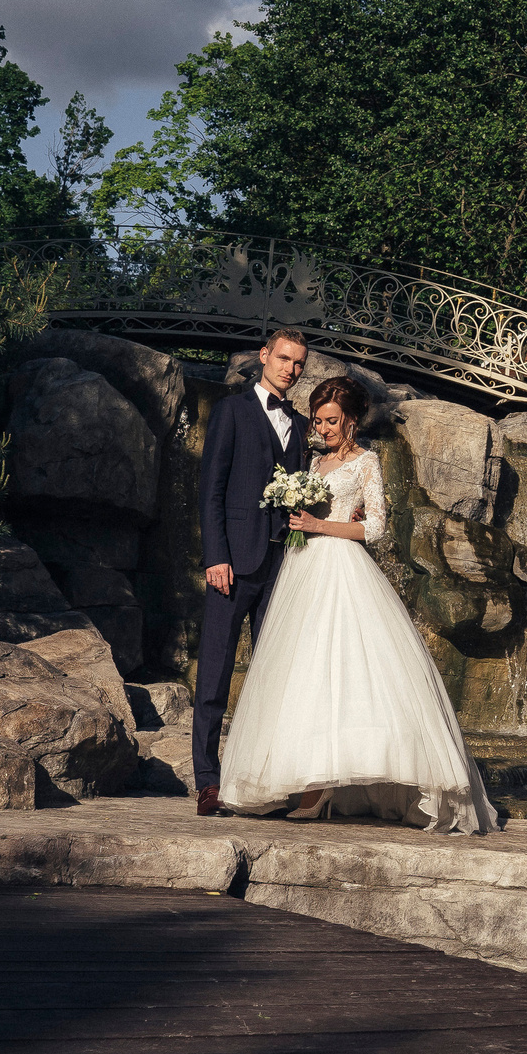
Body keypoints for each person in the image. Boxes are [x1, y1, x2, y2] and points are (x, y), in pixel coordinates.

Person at [220, 376, 500, 833]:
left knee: (344, 669)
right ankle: (303, 780)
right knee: (303, 672)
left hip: (340, 567)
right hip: (301, 566)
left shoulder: (367, 462)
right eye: (318, 420)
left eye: (331, 420)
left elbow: (377, 527)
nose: (323, 427)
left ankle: (320, 789)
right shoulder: (313, 460)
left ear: (350, 419)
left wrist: (321, 524)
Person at [191, 327, 309, 816]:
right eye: (283, 358)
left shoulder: (301, 425)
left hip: (283, 566)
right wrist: (215, 556)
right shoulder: (232, 411)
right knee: (215, 673)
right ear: (264, 356)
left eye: (299, 363)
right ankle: (207, 782)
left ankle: (262, 780)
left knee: (271, 678)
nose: (290, 369)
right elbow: (211, 489)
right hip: (233, 565)